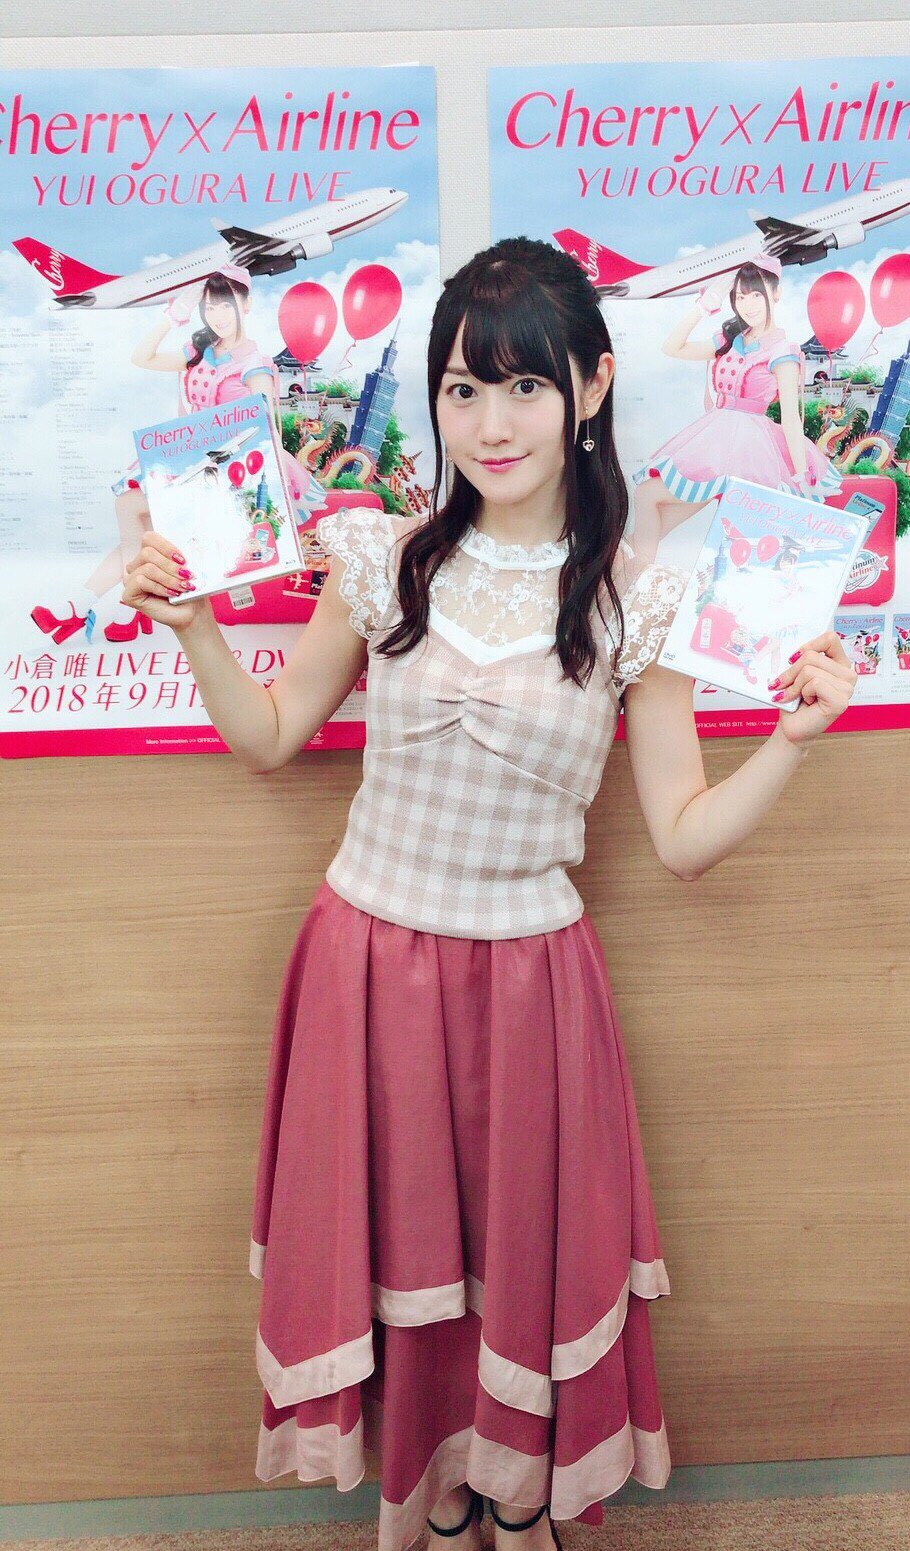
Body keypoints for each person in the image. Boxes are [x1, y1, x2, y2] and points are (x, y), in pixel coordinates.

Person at [120, 236, 858, 1551]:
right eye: (462, 390)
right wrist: (196, 633)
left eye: (523, 386)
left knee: (513, 1259)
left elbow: (682, 837)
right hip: (362, 967)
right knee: (401, 1258)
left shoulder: (638, 597)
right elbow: (273, 736)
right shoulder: (383, 556)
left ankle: (515, 1501)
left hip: (528, 986)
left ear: (591, 387)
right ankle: (442, 1495)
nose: (491, 423)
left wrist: (791, 743)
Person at [29, 262, 322, 647]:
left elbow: (266, 426)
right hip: (188, 460)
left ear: (246, 305)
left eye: (226, 305)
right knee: (139, 526)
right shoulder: (199, 352)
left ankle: (96, 607)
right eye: (210, 306)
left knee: (130, 510)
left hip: (229, 469)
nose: (218, 315)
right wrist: (172, 317)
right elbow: (142, 357)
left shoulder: (254, 364)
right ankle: (100, 607)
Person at [624, 254, 844, 584]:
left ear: (775, 294)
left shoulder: (782, 351)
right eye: (740, 296)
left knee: (658, 502)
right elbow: (672, 347)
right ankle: (633, 581)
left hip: (749, 452)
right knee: (650, 501)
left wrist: (800, 475)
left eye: (756, 294)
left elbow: (790, 418)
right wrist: (703, 307)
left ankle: (635, 581)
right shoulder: (729, 339)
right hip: (715, 442)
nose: (748, 304)